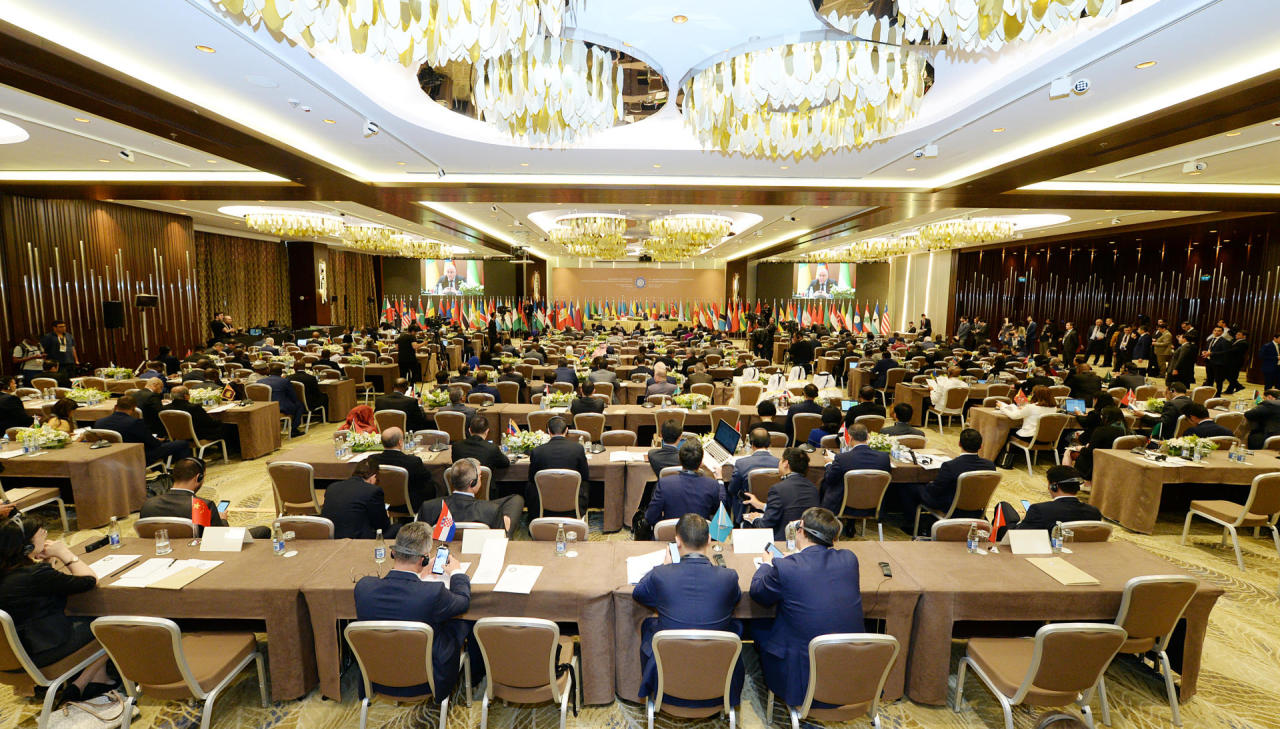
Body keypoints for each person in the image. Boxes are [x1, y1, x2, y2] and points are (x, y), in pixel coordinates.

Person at [749, 507, 862, 708]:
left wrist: (767, 565)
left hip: (799, 677)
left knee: (756, 625)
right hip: (846, 668)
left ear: (800, 530)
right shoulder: (849, 559)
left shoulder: (787, 567)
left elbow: (759, 593)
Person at [0, 516, 116, 701]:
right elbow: (89, 581)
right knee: (110, 622)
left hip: (11, 656)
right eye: (42, 534)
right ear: (27, 546)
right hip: (43, 651)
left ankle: (95, 679)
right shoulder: (34, 575)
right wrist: (65, 554)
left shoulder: (11, 573)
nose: (46, 537)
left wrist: (46, 563)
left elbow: (38, 591)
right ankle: (83, 683)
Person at [633, 514, 743, 708]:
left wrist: (664, 566)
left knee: (648, 624)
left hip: (666, 685)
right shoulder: (728, 577)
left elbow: (639, 593)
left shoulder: (661, 575)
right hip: (718, 683)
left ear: (677, 541)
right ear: (709, 540)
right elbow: (735, 599)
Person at [353, 522, 472, 701]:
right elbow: (463, 601)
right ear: (424, 559)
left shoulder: (363, 588)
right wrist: (457, 573)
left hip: (377, 677)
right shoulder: (433, 592)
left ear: (393, 553)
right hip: (428, 680)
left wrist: (417, 575)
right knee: (462, 623)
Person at [141, 457, 270, 539]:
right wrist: (222, 520)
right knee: (263, 531)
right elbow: (221, 540)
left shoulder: (148, 504)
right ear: (199, 478)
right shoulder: (200, 506)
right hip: (201, 554)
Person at [900, 428, 996, 533]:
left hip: (950, 507)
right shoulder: (990, 466)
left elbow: (934, 491)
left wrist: (928, 484)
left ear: (959, 444)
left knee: (910, 486)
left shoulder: (950, 466)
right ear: (981, 446)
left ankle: (913, 524)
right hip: (977, 507)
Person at [419, 457, 524, 537]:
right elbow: (500, 541)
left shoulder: (428, 507)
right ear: (473, 483)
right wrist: (505, 526)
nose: (481, 478)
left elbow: (419, 540)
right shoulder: (492, 511)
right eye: (480, 476)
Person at [743, 448, 820, 540]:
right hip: (807, 538)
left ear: (785, 463)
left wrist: (755, 519)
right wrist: (761, 505)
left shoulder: (777, 489)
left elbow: (765, 525)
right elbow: (791, 509)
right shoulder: (813, 488)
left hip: (783, 540)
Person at [645, 439, 726, 526]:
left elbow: (650, 517)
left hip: (670, 532)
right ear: (701, 463)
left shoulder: (664, 484)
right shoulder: (712, 485)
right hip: (701, 532)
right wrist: (720, 480)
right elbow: (722, 509)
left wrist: (665, 525)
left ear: (679, 459)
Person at [997, 465, 1102, 532]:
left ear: (1053, 486)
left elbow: (1018, 534)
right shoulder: (1094, 512)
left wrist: (1023, 519)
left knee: (1003, 506)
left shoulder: (1039, 510)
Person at [94, 394, 191, 464]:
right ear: (134, 409)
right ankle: (183, 473)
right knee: (182, 443)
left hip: (110, 459)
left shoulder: (99, 422)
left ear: (115, 407)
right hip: (137, 457)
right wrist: (160, 440)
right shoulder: (134, 423)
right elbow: (154, 444)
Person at [820, 424, 890, 516]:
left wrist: (828, 464)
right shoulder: (884, 457)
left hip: (844, 506)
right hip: (874, 506)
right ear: (868, 437)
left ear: (850, 438)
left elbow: (830, 479)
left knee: (825, 484)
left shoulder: (842, 458)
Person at [526, 416, 590, 516]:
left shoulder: (537, 451)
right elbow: (585, 476)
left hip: (544, 501)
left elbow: (531, 478)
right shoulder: (578, 449)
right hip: (573, 500)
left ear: (548, 431)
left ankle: (535, 515)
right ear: (567, 430)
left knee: (530, 485)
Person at [321, 458, 396, 540]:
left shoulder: (332, 487)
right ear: (373, 477)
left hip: (330, 536)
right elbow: (382, 526)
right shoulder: (373, 491)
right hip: (358, 539)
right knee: (398, 527)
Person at [374, 427, 436, 510]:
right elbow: (426, 478)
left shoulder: (372, 460)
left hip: (382, 503)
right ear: (400, 442)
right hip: (408, 505)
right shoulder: (413, 462)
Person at [726, 428, 779, 522]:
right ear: (769, 444)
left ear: (751, 444)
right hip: (772, 505)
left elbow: (732, 489)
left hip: (747, 507)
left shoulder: (741, 463)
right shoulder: (779, 463)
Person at [163, 385, 234, 444]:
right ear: (186, 396)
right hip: (197, 436)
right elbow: (209, 423)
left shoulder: (165, 408)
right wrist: (221, 421)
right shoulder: (194, 407)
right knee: (228, 426)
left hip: (176, 436)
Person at [1073, 406, 1128, 479]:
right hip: (1116, 464)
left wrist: (1081, 449)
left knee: (1069, 453)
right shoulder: (1128, 431)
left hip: (1094, 465)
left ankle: (1067, 480)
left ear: (1106, 417)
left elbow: (1090, 453)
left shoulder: (1101, 431)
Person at [997, 385, 1059, 450]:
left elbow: (1014, 416)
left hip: (1031, 437)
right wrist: (1025, 409)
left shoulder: (1031, 407)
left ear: (1035, 395)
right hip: (1047, 439)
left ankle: (1007, 454)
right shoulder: (1054, 408)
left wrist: (1002, 407)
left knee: (1008, 431)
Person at [259, 364, 306, 437]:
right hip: (279, 407)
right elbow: (293, 397)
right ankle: (294, 430)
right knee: (299, 405)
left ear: (269, 372)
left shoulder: (260, 382)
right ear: (281, 373)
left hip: (263, 407)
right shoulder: (285, 381)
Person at [1202, 325, 1230, 393]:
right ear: (1213, 331)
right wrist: (1204, 351)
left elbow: (1225, 352)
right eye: (1215, 330)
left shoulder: (1224, 341)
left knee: (1218, 380)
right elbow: (1208, 349)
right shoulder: (1210, 340)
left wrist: (1211, 353)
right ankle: (1209, 393)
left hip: (1218, 363)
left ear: (1222, 332)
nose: (1216, 332)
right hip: (1209, 362)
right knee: (1209, 378)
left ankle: (1218, 394)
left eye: (1219, 331)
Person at [1222, 330, 1249, 395]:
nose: (1236, 335)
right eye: (1236, 334)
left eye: (1239, 334)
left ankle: (1235, 387)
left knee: (1231, 376)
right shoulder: (1236, 341)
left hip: (1236, 362)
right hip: (1231, 361)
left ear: (1244, 336)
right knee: (1230, 375)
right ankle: (1236, 387)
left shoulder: (1243, 343)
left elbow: (1234, 350)